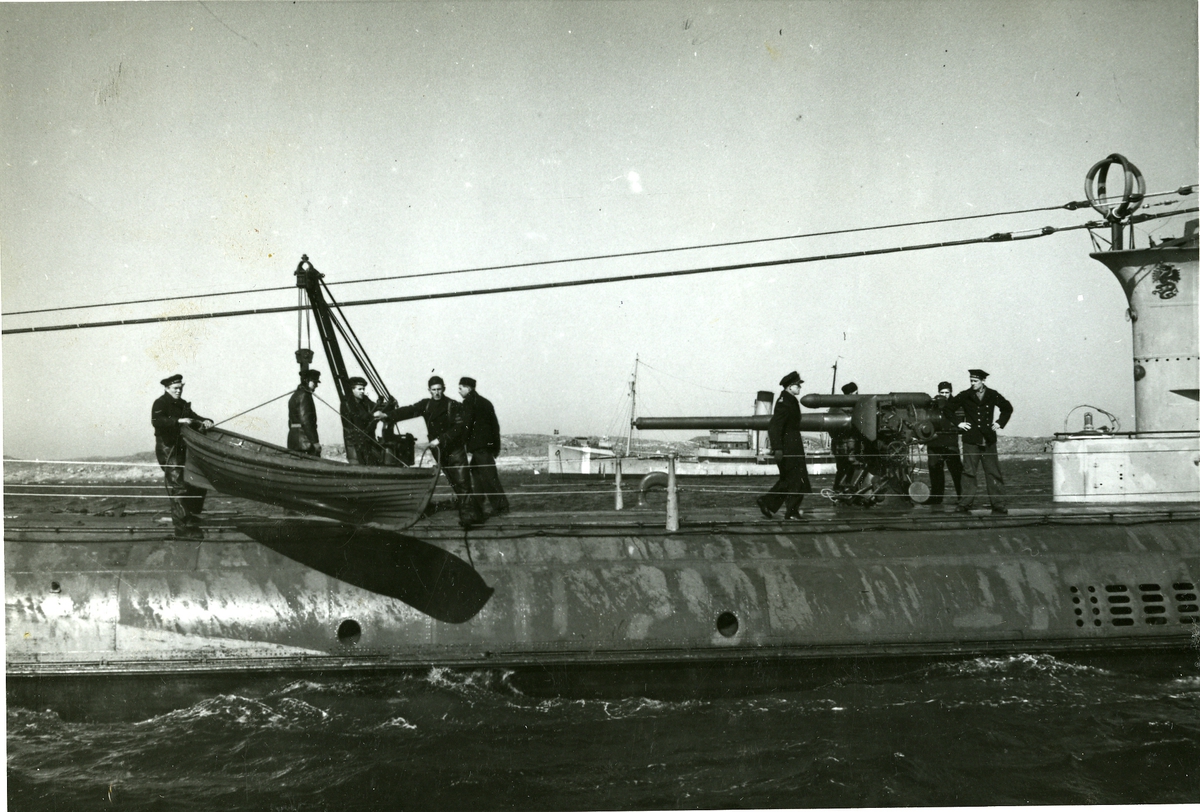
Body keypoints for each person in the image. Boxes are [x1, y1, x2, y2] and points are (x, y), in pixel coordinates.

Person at [377, 375, 476, 523]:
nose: (437, 393)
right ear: (429, 390)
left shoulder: (453, 405)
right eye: (434, 390)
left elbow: (459, 428)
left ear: (444, 389)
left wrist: (441, 439)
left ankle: (470, 517)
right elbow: (409, 411)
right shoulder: (426, 405)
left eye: (439, 389)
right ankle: (468, 512)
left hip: (454, 450)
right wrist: (387, 415)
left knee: (463, 482)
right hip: (439, 451)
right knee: (454, 481)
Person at [151, 374, 214, 539]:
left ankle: (190, 515)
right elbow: (157, 421)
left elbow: (194, 417)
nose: (178, 391)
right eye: (175, 388)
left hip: (182, 449)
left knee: (196, 481)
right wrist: (178, 421)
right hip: (167, 448)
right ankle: (182, 529)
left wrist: (206, 420)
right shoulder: (160, 403)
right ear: (167, 388)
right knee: (178, 486)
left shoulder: (182, 404)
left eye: (180, 388)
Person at [950, 369, 1013, 514]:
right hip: (971, 440)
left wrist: (999, 423)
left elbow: (1007, 408)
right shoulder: (965, 395)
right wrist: (959, 423)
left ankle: (998, 503)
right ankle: (965, 503)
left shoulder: (992, 394)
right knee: (968, 473)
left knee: (993, 472)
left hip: (988, 440)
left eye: (975, 381)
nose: (972, 384)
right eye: (971, 381)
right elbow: (948, 409)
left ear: (983, 381)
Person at [452, 376, 510, 519]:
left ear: (468, 388)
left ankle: (501, 507)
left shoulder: (468, 402)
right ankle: (478, 505)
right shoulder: (486, 403)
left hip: (479, 448)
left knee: (489, 477)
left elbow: (466, 425)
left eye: (460, 388)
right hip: (487, 447)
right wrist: (496, 447)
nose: (459, 391)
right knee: (477, 474)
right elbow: (495, 427)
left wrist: (461, 443)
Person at [757, 371, 811, 520]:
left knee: (790, 480)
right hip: (789, 447)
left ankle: (768, 503)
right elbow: (775, 426)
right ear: (790, 386)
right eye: (798, 385)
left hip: (792, 445)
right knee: (796, 479)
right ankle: (790, 511)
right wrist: (778, 448)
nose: (800, 388)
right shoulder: (784, 402)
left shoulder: (789, 400)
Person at [926, 381, 964, 508]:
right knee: (935, 470)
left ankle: (962, 497)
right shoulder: (932, 405)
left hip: (950, 442)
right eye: (942, 392)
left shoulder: (957, 405)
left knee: (956, 470)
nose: (944, 395)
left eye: (947, 392)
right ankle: (936, 498)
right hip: (934, 442)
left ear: (951, 392)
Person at [340, 376, 380, 465]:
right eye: (360, 389)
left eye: (363, 389)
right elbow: (359, 416)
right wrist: (373, 415)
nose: (362, 391)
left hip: (368, 441)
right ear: (352, 390)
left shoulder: (364, 400)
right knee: (357, 465)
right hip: (355, 442)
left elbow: (374, 406)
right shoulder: (346, 403)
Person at [830, 381, 859, 490]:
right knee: (851, 468)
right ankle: (845, 491)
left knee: (841, 469)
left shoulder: (834, 407)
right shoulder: (852, 408)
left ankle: (838, 490)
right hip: (850, 444)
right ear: (852, 394)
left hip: (838, 444)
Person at [288, 369, 322, 457]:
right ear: (307, 381)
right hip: (305, 442)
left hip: (294, 440)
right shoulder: (304, 396)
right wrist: (315, 442)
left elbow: (290, 422)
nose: (316, 385)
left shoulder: (295, 395)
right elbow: (306, 421)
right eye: (314, 382)